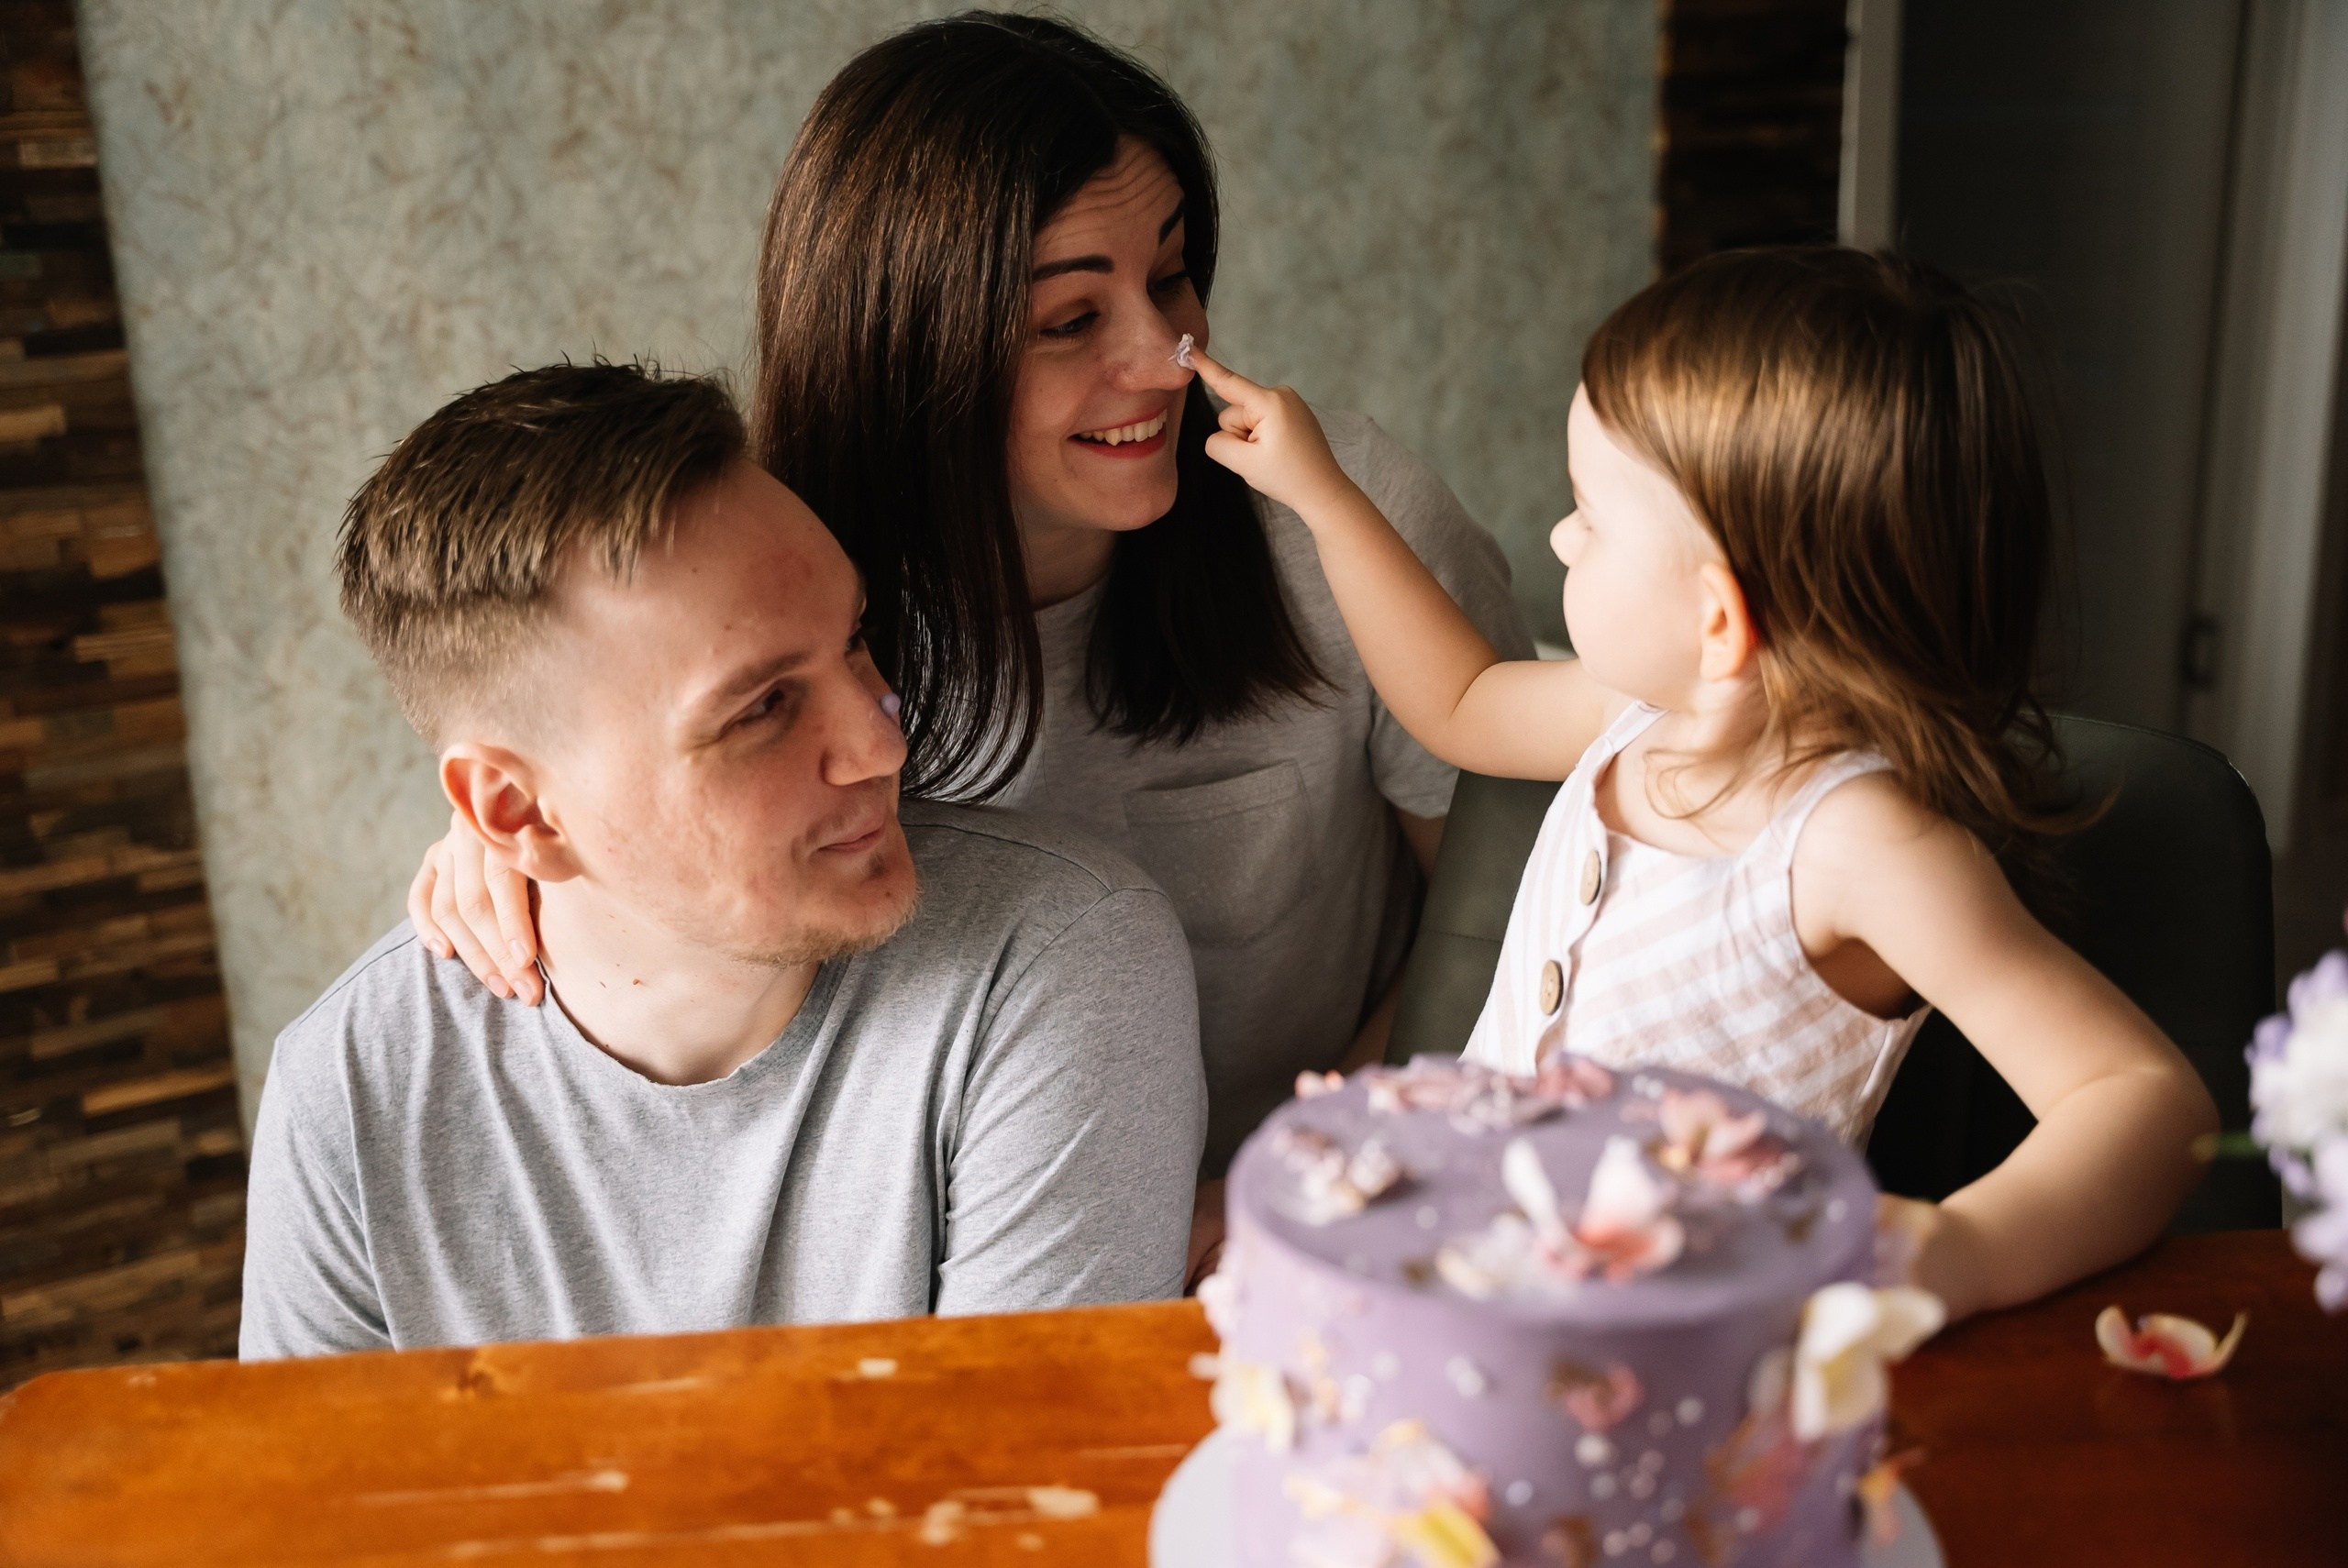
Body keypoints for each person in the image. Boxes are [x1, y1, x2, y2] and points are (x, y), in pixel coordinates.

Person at [404, 16, 1534, 1220]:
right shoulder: (784, 594)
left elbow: (1522, 923)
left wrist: (1291, 1182)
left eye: (1169, 278)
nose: (1163, 358)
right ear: (907, 352)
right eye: (1069, 321)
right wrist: (548, 841)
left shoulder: (1341, 528)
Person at [1183, 246, 2218, 1322]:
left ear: (1718, 622)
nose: (1558, 534)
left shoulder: (1858, 847)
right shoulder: (1640, 714)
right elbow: (1457, 701)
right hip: (1478, 1297)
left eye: (1588, 513)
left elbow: (2142, 1101)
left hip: (1680, 1370)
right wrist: (1319, 495)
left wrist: (1956, 1250)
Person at [239, 362, 1205, 1358]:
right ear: (518, 810)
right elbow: (326, 1516)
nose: (882, 747)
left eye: (856, 640)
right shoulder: (351, 1091)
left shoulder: (1058, 961)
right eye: (761, 710)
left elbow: (1019, 1498)